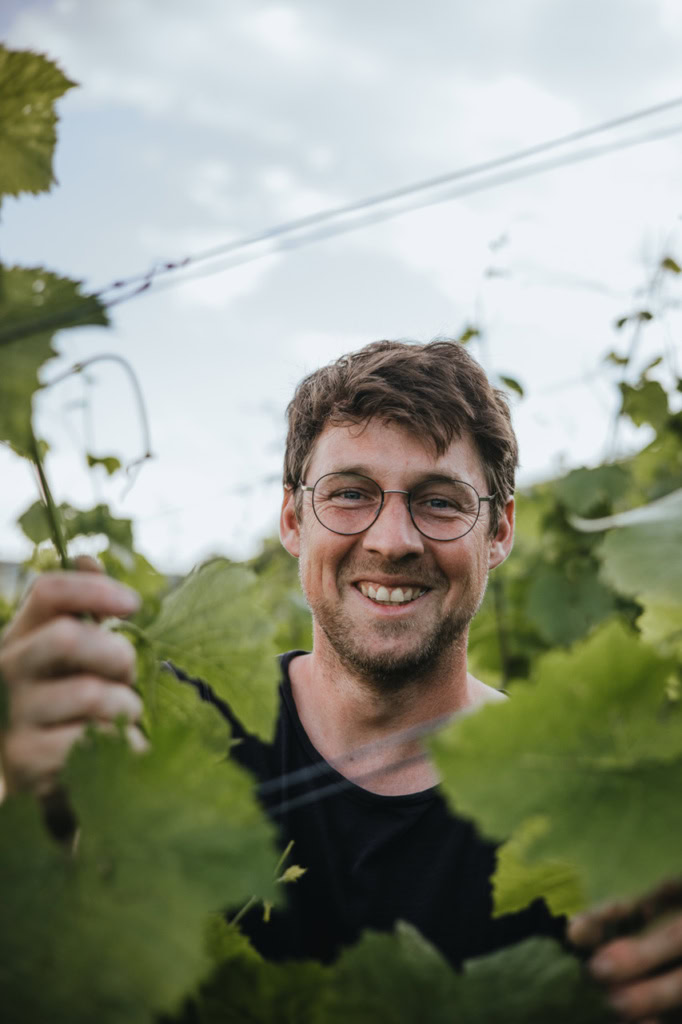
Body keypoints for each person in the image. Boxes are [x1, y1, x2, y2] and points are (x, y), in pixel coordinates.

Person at [1, 339, 681, 1020]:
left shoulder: (585, 798)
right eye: (350, 494)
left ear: (498, 531)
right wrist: (26, 820)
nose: (391, 541)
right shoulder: (174, 724)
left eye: (440, 502)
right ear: (293, 520)